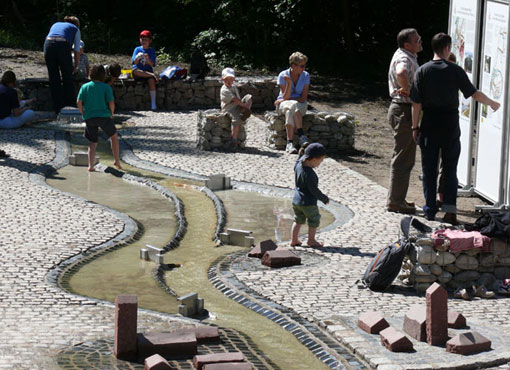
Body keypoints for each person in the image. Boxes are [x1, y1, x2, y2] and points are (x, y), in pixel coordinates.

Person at [411, 33, 500, 224]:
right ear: (446, 48)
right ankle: (450, 210)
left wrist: (414, 127)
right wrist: (491, 102)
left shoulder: (422, 71)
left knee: (429, 169)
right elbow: (473, 93)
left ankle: (429, 209)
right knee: (450, 168)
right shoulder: (455, 70)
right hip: (450, 124)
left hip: (429, 123)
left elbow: (416, 103)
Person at [386, 28, 423, 215]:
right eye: (417, 40)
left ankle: (397, 199)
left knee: (404, 156)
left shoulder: (406, 55)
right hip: (404, 111)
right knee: (403, 157)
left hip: (402, 110)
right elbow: (401, 72)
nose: (420, 41)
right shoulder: (405, 58)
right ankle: (395, 201)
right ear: (407, 44)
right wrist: (407, 87)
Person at [76, 64, 122, 172]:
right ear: (103, 75)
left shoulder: (85, 86)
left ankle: (90, 166)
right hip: (104, 117)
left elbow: (79, 102)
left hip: (90, 117)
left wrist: (83, 112)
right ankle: (117, 160)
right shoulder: (106, 87)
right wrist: (111, 113)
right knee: (114, 136)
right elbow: (111, 103)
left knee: (92, 142)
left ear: (91, 74)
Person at [290, 142, 329, 247]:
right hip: (308, 202)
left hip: (296, 200)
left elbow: (299, 159)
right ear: (314, 159)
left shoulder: (298, 165)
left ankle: (294, 240)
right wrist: (324, 198)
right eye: (320, 161)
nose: (320, 164)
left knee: (298, 220)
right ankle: (311, 240)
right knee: (314, 220)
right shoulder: (309, 173)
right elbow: (313, 190)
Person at [274, 51, 310, 154]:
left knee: (292, 107)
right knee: (292, 106)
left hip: (298, 104)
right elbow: (286, 96)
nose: (304, 68)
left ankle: (289, 143)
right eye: (302, 66)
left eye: (305, 66)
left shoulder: (306, 75)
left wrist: (285, 99)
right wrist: (289, 83)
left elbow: (303, 98)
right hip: (284, 105)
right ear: (294, 65)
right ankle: (301, 135)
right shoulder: (283, 75)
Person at [44, 16, 81, 113]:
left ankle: (58, 108)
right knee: (67, 77)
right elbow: (77, 50)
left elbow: (50, 37)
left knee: (54, 78)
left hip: (48, 45)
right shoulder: (76, 29)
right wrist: (76, 66)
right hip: (62, 45)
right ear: (77, 24)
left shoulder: (56, 24)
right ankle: (70, 106)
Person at [436, 52, 458, 207]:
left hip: (448, 127)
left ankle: (441, 197)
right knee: (435, 164)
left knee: (446, 164)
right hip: (438, 127)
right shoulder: (432, 77)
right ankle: (438, 199)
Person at [220, 67, 252, 148]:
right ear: (223, 79)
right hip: (229, 108)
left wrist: (244, 104)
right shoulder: (224, 90)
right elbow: (235, 100)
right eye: (227, 79)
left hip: (238, 105)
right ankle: (234, 140)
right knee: (236, 120)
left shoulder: (233, 86)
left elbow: (238, 100)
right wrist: (243, 105)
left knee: (249, 98)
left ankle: (244, 111)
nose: (229, 81)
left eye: (231, 79)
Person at [131, 30, 159, 110]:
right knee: (135, 71)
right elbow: (134, 62)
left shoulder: (151, 51)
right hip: (138, 72)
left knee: (151, 81)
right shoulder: (137, 49)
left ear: (150, 41)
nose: (143, 41)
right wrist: (137, 57)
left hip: (148, 72)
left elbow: (152, 64)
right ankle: (152, 75)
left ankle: (153, 103)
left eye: (145, 40)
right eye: (142, 39)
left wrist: (147, 59)